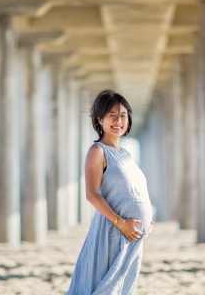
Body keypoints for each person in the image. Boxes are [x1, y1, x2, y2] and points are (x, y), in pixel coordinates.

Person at [66, 89, 154, 295]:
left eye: (123, 115)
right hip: (113, 231)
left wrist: (148, 219)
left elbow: (133, 190)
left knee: (122, 287)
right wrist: (121, 223)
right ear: (100, 119)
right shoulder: (97, 151)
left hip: (131, 235)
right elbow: (91, 194)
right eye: (112, 116)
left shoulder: (126, 154)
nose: (118, 121)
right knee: (106, 287)